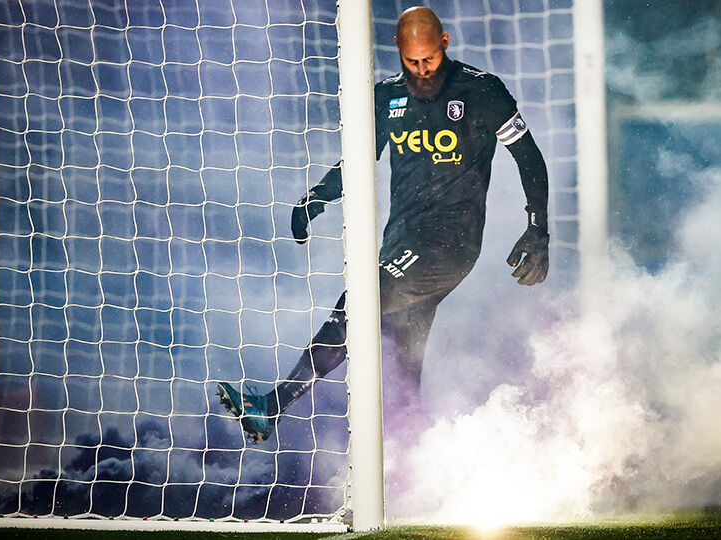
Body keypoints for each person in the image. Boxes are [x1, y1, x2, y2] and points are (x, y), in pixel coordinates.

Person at [217, 6, 549, 443]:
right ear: (398, 50)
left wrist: (537, 229)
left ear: (445, 44)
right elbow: (355, 161)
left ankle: (272, 408)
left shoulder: (482, 91)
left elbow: (530, 158)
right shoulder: (385, 98)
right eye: (412, 62)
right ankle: (413, 462)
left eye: (429, 60)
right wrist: (316, 197)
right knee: (400, 357)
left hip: (449, 246)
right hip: (401, 242)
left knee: (357, 302)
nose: (422, 71)